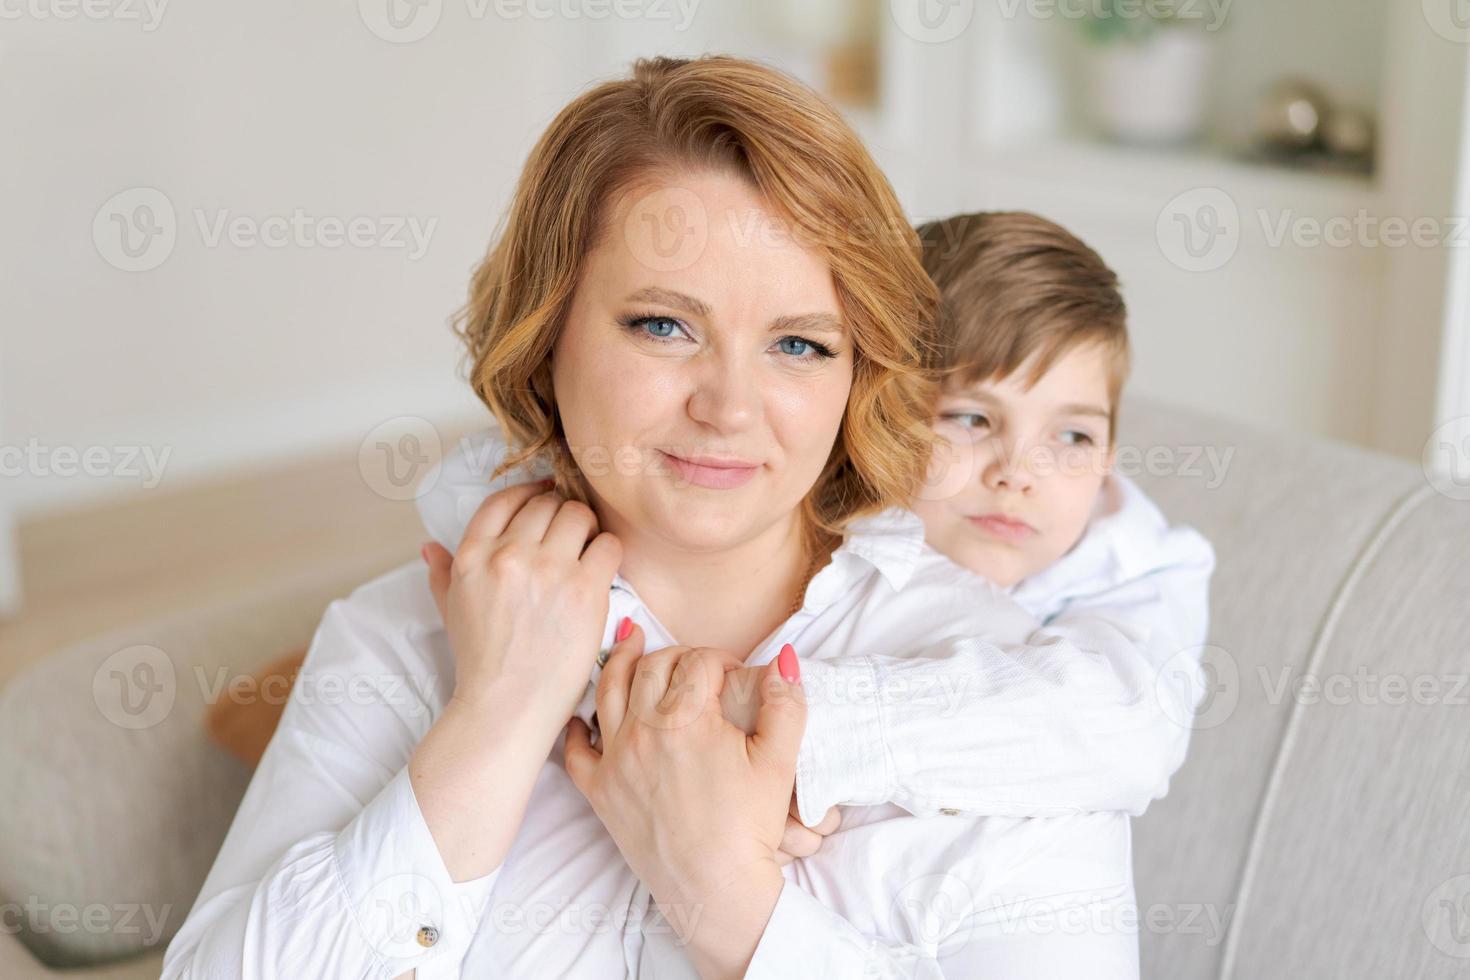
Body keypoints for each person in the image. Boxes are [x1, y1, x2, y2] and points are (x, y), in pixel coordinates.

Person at [163, 56, 1165, 979]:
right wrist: (497, 718)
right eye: (663, 324)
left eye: (801, 344)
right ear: (546, 331)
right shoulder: (402, 638)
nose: (728, 407)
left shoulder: (993, 697)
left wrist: (731, 901)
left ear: (861, 370)